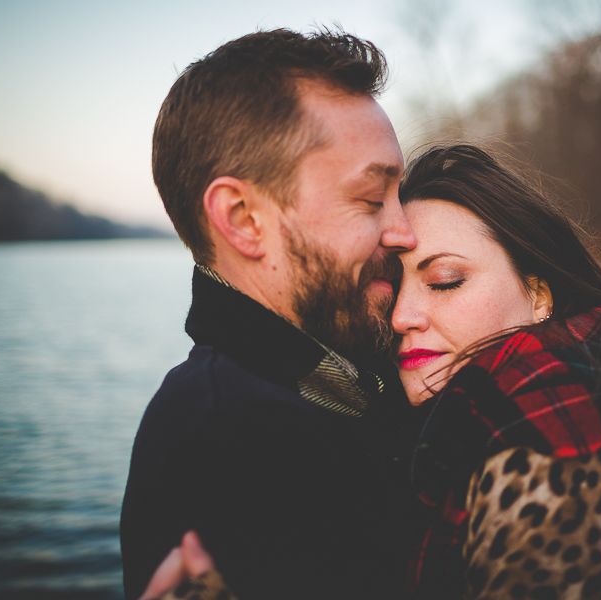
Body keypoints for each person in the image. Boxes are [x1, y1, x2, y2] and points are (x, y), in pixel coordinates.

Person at [140, 145, 601, 600]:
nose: (402, 316)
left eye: (445, 280)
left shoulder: (568, 462)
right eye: (393, 285)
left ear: (539, 295)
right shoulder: (466, 434)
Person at [119, 29, 421, 600]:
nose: (405, 233)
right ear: (243, 219)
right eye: (371, 200)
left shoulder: (346, 385)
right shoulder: (235, 444)